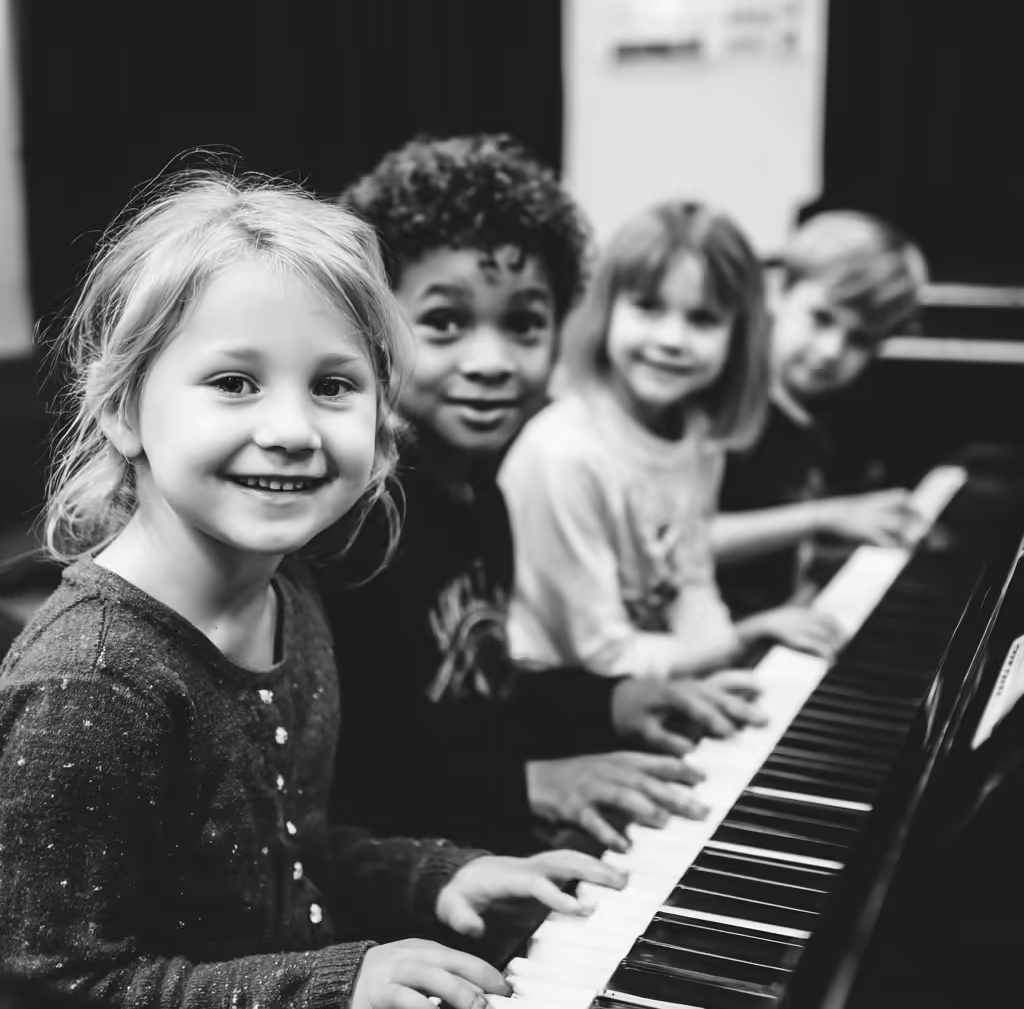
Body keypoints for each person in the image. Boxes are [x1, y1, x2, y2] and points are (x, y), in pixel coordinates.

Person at [0, 172, 627, 1009]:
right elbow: (54, 984)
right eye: (234, 382)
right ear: (121, 408)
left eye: (334, 386)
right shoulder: (93, 678)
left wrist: (440, 876)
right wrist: (336, 984)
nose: (292, 431)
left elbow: (286, 855)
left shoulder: (289, 594)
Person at [318, 136, 765, 858]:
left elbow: (479, 694)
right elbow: (360, 767)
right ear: (374, 327)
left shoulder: (482, 499)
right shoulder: (358, 523)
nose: (491, 362)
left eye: (523, 324)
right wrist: (532, 783)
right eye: (445, 323)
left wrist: (608, 701)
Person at [500, 200, 846, 680]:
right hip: (564, 709)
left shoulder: (697, 434)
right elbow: (598, 654)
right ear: (606, 311)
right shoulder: (565, 455)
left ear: (738, 335)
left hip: (652, 682)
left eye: (702, 319)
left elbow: (692, 583)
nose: (671, 339)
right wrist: (742, 641)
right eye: (647, 307)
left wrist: (725, 655)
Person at [714, 211, 929, 618]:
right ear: (778, 290)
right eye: (821, 318)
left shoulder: (808, 409)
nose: (831, 351)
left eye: (860, 340)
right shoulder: (726, 399)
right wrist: (830, 516)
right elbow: (689, 543)